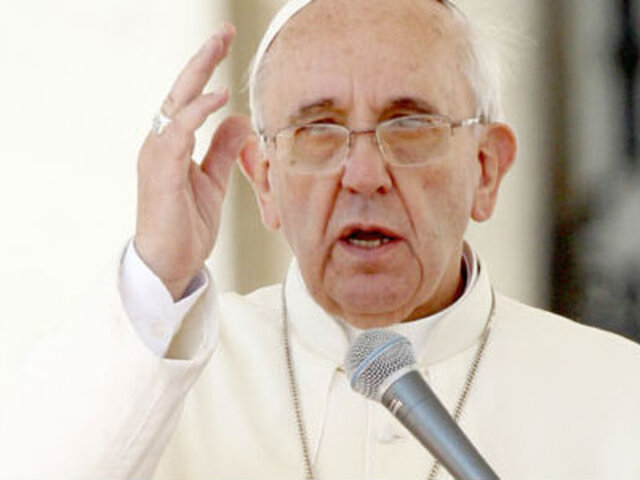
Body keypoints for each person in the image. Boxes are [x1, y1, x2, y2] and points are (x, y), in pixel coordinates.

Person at [2, 0, 640, 479]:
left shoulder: (618, 395)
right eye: (318, 130)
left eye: (409, 124)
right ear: (264, 182)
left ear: (486, 169)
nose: (364, 175)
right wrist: (155, 274)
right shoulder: (163, 381)